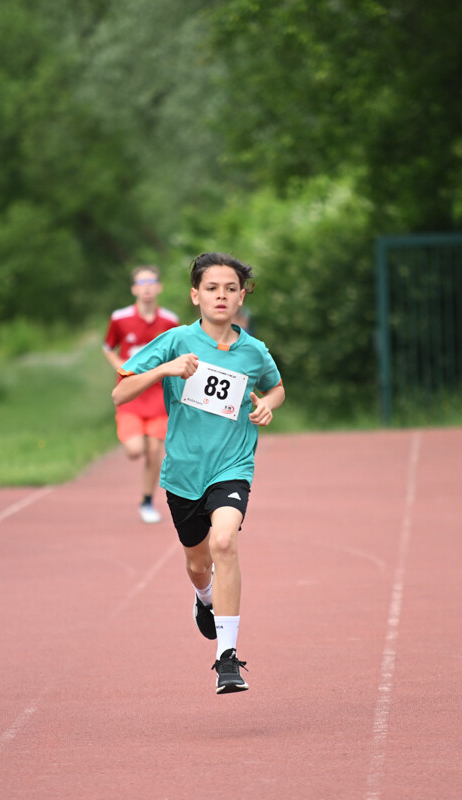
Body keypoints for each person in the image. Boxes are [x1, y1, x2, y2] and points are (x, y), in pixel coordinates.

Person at [113, 252, 285, 694]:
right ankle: (204, 598)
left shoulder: (253, 350)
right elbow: (120, 392)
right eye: (212, 288)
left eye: (230, 288)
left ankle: (227, 659)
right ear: (195, 296)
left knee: (224, 541)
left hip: (232, 465)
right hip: (184, 472)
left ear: (242, 294)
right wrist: (166, 369)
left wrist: (268, 403)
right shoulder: (175, 341)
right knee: (197, 562)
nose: (221, 296)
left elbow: (277, 385)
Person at [103, 265, 180, 523]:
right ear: (134, 288)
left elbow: (176, 353)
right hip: (131, 394)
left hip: (158, 394)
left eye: (151, 281)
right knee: (135, 450)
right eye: (141, 282)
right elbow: (108, 347)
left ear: (159, 287)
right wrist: (120, 366)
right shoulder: (120, 318)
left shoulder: (170, 320)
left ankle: (147, 500)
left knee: (155, 450)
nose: (147, 286)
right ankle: (132, 435)